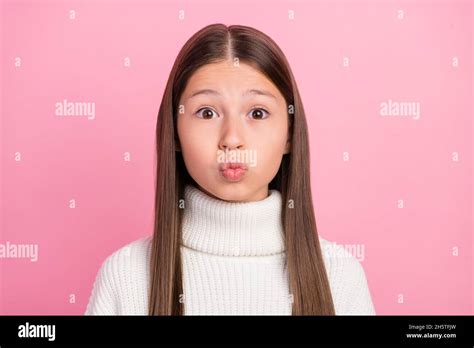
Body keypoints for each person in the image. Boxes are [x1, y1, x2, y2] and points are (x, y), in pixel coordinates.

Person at [85, 23, 376, 316]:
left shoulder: (341, 276)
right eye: (207, 113)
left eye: (257, 113)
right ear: (175, 132)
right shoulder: (125, 276)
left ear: (289, 133)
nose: (232, 139)